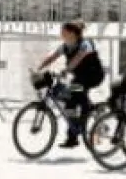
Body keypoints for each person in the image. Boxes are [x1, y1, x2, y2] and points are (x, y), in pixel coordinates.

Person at [33, 20, 106, 148]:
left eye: (63, 31)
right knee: (69, 102)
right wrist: (38, 68)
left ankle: (88, 115)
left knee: (77, 90)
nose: (61, 33)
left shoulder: (85, 44)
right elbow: (52, 57)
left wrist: (66, 70)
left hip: (94, 76)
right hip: (79, 78)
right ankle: (73, 137)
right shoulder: (65, 46)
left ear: (72, 33)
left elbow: (78, 58)